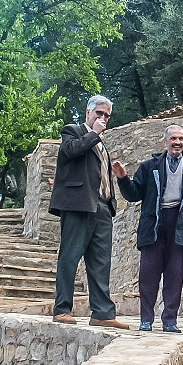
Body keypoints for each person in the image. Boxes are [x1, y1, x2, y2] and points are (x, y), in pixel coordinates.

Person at [112, 125, 183, 333]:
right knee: (148, 274)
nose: (177, 143)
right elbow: (133, 194)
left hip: (182, 225)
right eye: (173, 138)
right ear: (164, 142)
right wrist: (122, 178)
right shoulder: (150, 166)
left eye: (181, 139)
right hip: (154, 224)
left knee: (175, 274)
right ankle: (146, 319)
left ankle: (170, 321)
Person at [48, 95, 129, 329]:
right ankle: (62, 309)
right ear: (88, 113)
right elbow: (71, 151)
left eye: (106, 116)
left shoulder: (100, 143)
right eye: (99, 113)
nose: (103, 118)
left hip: (102, 207)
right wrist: (94, 133)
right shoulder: (72, 131)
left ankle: (102, 313)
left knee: (100, 262)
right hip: (78, 205)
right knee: (70, 257)